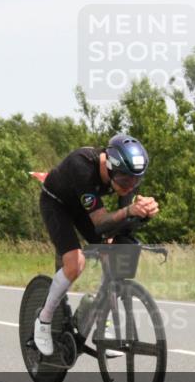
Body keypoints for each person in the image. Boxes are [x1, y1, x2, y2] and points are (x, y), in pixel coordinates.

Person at [32, 134, 159, 355]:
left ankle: (103, 320)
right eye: (126, 181)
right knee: (75, 263)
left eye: (136, 181)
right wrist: (129, 211)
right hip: (57, 205)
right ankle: (44, 319)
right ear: (110, 167)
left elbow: (118, 225)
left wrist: (145, 211)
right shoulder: (81, 165)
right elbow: (101, 223)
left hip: (84, 209)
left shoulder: (123, 175)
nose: (130, 187)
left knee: (113, 255)